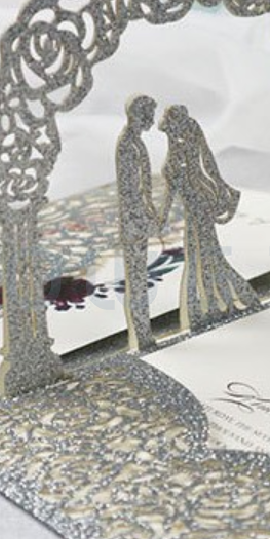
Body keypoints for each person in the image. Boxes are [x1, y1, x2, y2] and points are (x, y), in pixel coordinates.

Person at [159, 104, 260, 331]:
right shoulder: (183, 153)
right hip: (198, 205)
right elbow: (207, 162)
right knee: (207, 255)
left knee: (201, 256)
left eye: (168, 128)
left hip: (199, 207)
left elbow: (173, 189)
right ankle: (220, 302)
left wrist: (162, 217)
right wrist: (221, 187)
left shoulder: (179, 157)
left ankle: (205, 308)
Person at [115, 95, 160, 352]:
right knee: (136, 280)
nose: (152, 121)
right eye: (148, 116)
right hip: (134, 224)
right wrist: (144, 217)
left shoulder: (136, 142)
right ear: (137, 115)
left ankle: (144, 332)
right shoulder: (128, 145)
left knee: (140, 280)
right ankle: (141, 335)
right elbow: (131, 190)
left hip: (139, 220)